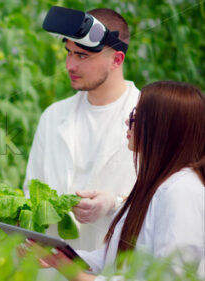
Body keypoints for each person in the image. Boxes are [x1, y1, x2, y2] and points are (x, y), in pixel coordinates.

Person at [30, 81, 205, 280]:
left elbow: (171, 276)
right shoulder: (155, 186)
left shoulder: (182, 192)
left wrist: (80, 276)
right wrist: (58, 257)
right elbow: (115, 259)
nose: (127, 122)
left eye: (136, 116)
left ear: (162, 128)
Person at [24, 7, 139, 250]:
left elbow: (170, 204)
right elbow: (31, 192)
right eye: (69, 53)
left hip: (115, 268)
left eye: (82, 56)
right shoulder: (53, 116)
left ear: (116, 60)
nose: (70, 65)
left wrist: (114, 203)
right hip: (53, 269)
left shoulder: (150, 118)